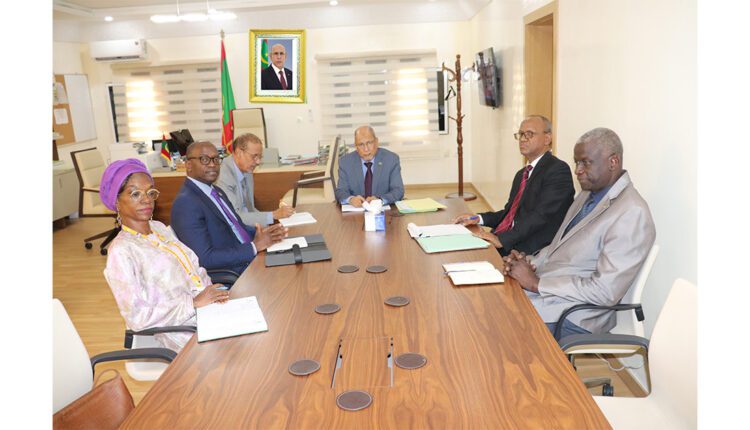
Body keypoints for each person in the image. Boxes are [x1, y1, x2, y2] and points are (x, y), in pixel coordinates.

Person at [503, 127, 656, 339]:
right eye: (576, 163)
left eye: (585, 163)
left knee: (497, 324)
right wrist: (528, 263)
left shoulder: (631, 212)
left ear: (613, 162)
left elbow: (605, 291)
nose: (577, 171)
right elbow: (559, 247)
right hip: (551, 295)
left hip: (576, 315)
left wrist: (536, 284)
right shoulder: (587, 194)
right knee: (492, 302)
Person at [101, 159, 230, 352]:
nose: (146, 200)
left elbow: (193, 270)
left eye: (150, 192)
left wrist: (213, 293)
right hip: (184, 333)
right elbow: (137, 317)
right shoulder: (122, 251)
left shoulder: (159, 228)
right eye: (135, 194)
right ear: (116, 201)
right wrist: (193, 303)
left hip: (209, 314)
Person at [454, 115, 574, 256]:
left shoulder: (557, 170)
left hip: (529, 247)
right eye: (521, 134)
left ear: (547, 138)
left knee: (468, 257)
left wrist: (502, 240)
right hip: (509, 238)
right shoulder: (521, 174)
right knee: (458, 247)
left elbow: (541, 216)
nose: (523, 139)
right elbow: (509, 213)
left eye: (529, 134)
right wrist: (477, 218)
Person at [171, 142, 287, 275]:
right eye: (204, 159)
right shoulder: (186, 203)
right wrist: (254, 247)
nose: (212, 164)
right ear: (188, 165)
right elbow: (204, 259)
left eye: (216, 159)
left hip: (248, 258)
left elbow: (237, 228)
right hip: (234, 272)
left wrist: (263, 233)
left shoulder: (216, 191)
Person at [216, 133, 294, 227]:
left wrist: (268, 228)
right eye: (254, 156)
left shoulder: (247, 169)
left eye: (260, 157)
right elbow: (235, 217)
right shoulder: (223, 176)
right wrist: (273, 215)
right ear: (239, 153)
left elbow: (250, 209)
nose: (258, 162)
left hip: (248, 227)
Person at [335, 125, 405, 207]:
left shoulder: (391, 159)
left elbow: (398, 190)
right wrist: (350, 199)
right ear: (356, 146)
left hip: (383, 211)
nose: (366, 149)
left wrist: (380, 200)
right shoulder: (345, 162)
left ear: (376, 142)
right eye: (361, 144)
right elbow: (340, 191)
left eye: (369, 143)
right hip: (356, 212)